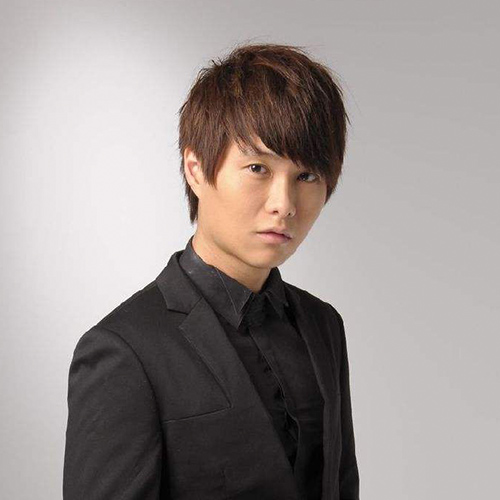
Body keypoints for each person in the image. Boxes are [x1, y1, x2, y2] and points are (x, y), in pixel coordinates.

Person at [63, 42, 360, 500]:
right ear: (196, 169)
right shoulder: (124, 351)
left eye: (306, 177)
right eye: (258, 168)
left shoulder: (324, 325)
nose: (284, 204)